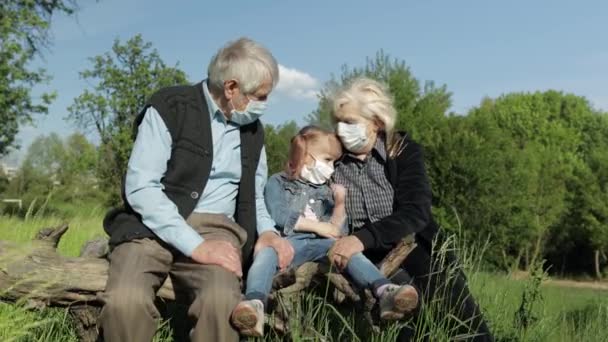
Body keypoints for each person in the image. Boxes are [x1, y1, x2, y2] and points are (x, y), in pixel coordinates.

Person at [97, 37, 295, 342]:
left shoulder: (253, 132)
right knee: (126, 300)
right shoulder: (171, 107)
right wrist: (195, 246)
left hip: (217, 231)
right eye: (259, 96)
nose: (264, 105)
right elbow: (141, 188)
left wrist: (268, 231)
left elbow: (254, 196)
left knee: (222, 304)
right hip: (150, 227)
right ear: (231, 89)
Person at [327, 77, 494, 341]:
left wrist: (362, 237)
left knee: (458, 314)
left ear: (376, 122)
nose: (340, 129)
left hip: (412, 244)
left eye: (349, 122)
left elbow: (416, 212)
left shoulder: (403, 152)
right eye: (336, 121)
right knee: (405, 324)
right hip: (364, 259)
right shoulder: (331, 162)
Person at [231, 126, 419, 337]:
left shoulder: (327, 190)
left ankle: (384, 290)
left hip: (322, 245)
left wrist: (339, 204)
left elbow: (339, 231)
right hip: (289, 243)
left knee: (347, 251)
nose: (332, 167)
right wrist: (318, 226)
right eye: (328, 160)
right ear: (308, 158)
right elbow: (279, 215)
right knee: (266, 254)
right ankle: (255, 301)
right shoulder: (279, 182)